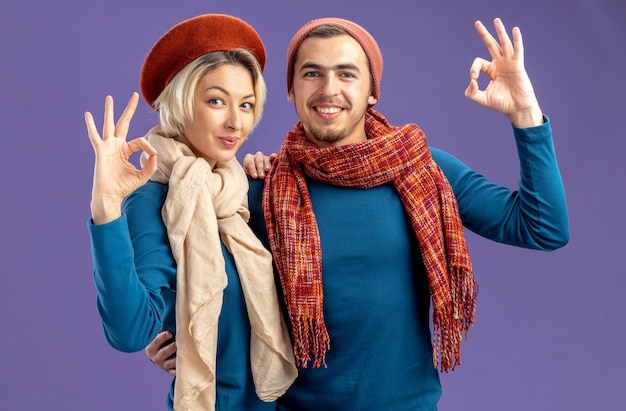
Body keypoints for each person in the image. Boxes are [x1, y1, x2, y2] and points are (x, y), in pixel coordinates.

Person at [147, 16, 570, 410]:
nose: (329, 89)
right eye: (312, 73)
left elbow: (542, 227)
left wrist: (525, 114)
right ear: (291, 89)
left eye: (346, 73)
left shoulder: (424, 170)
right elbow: (211, 289)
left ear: (372, 91)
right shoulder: (258, 187)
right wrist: (181, 338)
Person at [85, 14, 296, 411]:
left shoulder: (247, 190)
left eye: (246, 105)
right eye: (216, 101)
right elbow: (132, 331)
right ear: (182, 105)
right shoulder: (152, 199)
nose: (236, 121)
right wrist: (106, 206)